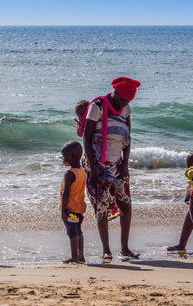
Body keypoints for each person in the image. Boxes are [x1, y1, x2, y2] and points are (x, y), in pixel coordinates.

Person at [83, 76, 141, 262]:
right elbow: (86, 137)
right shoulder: (98, 106)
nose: (126, 102)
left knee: (126, 204)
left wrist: (125, 163)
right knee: (102, 206)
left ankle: (124, 248)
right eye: (124, 98)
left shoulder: (125, 109)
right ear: (115, 92)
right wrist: (93, 167)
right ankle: (106, 250)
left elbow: (128, 138)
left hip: (118, 164)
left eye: (129, 100)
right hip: (97, 163)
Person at [60, 141, 87, 264]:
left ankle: (74, 256)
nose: (63, 159)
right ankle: (81, 256)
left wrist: (63, 210)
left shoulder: (69, 174)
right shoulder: (82, 171)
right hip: (79, 207)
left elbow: (66, 194)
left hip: (70, 208)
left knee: (72, 233)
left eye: (65, 156)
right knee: (79, 232)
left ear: (73, 157)